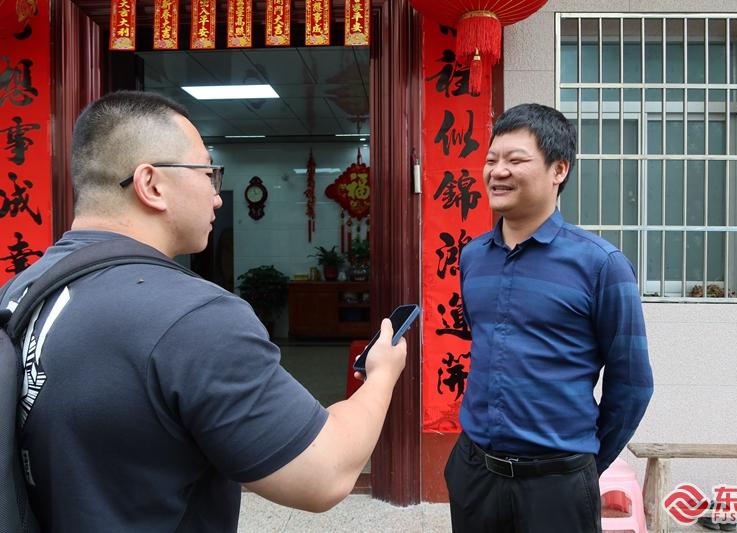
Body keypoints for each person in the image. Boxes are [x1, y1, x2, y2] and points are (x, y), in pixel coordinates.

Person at [0, 91, 407, 532]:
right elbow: (325, 473)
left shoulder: (20, 290)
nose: (217, 197)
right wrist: (382, 374)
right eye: (208, 173)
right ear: (151, 184)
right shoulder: (192, 316)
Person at [444, 103, 653, 533]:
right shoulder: (472, 258)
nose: (498, 171)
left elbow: (632, 385)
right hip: (475, 474)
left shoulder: (601, 265)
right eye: (491, 159)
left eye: (515, 160)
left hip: (557, 485)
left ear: (559, 169)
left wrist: (582, 465)